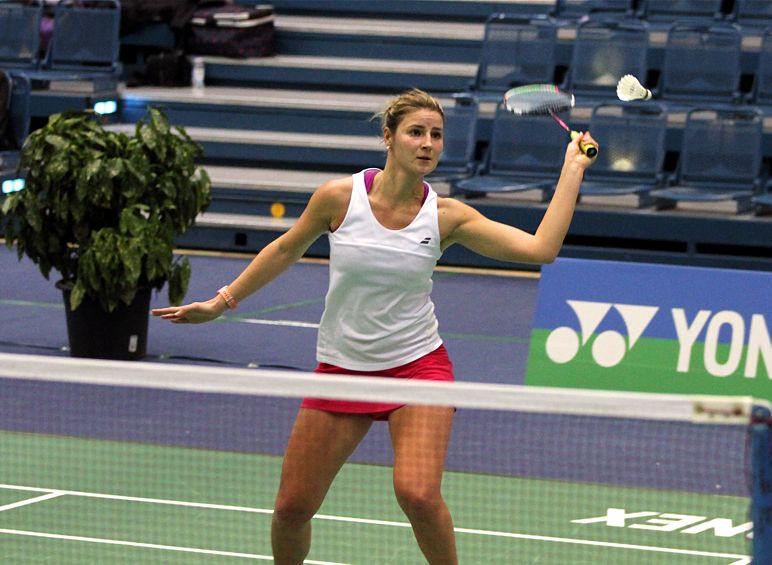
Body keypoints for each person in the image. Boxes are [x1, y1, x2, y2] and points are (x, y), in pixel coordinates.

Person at [151, 88, 598, 565]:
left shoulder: (447, 217)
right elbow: (285, 249)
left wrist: (571, 170)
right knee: (291, 508)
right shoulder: (339, 199)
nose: (427, 143)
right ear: (389, 137)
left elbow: (540, 250)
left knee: (418, 494)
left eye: (436, 135)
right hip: (344, 369)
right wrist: (222, 302)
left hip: (417, 369)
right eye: (416, 133)